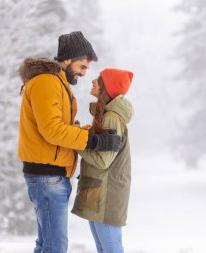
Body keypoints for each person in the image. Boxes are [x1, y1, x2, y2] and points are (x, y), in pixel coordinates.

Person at [18, 31, 122, 253]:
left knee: (46, 245)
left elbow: (60, 126)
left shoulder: (57, 83)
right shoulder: (47, 82)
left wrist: (92, 133)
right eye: (82, 67)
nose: (84, 73)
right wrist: (93, 140)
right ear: (67, 59)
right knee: (55, 247)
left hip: (51, 175)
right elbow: (53, 131)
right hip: (47, 176)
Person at [72, 68, 134, 253]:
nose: (93, 81)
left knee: (111, 249)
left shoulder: (111, 119)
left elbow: (102, 161)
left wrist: (75, 140)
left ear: (107, 88)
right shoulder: (106, 116)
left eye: (98, 80)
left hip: (106, 195)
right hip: (99, 192)